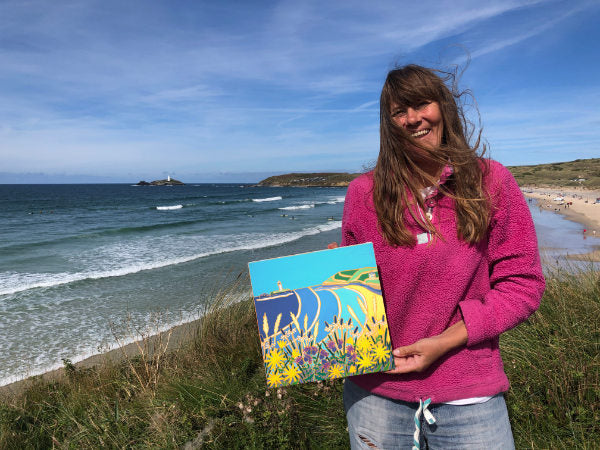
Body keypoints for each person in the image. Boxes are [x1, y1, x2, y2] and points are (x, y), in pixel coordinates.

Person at [331, 65, 545, 449]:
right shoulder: (363, 194)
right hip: (375, 394)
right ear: (389, 123)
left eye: (421, 104)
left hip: (469, 393)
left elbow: (522, 286)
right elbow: (358, 299)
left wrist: (447, 340)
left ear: (442, 107)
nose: (413, 118)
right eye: (400, 111)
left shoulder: (491, 181)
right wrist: (332, 278)